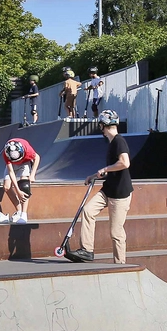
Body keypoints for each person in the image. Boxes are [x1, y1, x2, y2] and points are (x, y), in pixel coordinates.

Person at [67, 110, 134, 264]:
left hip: (120, 194)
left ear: (103, 125)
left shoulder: (119, 141)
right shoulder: (112, 143)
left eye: (101, 126)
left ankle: (120, 264)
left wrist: (105, 169)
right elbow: (113, 167)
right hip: (108, 189)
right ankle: (87, 250)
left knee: (116, 232)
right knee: (88, 211)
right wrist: (93, 176)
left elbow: (125, 163)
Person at [0, 138, 40, 225]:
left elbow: (37, 157)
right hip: (11, 165)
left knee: (24, 185)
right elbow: (11, 172)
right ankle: (19, 211)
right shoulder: (6, 153)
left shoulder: (27, 150)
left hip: (25, 162)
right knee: (6, 187)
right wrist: (17, 191)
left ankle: (24, 214)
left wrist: (32, 174)